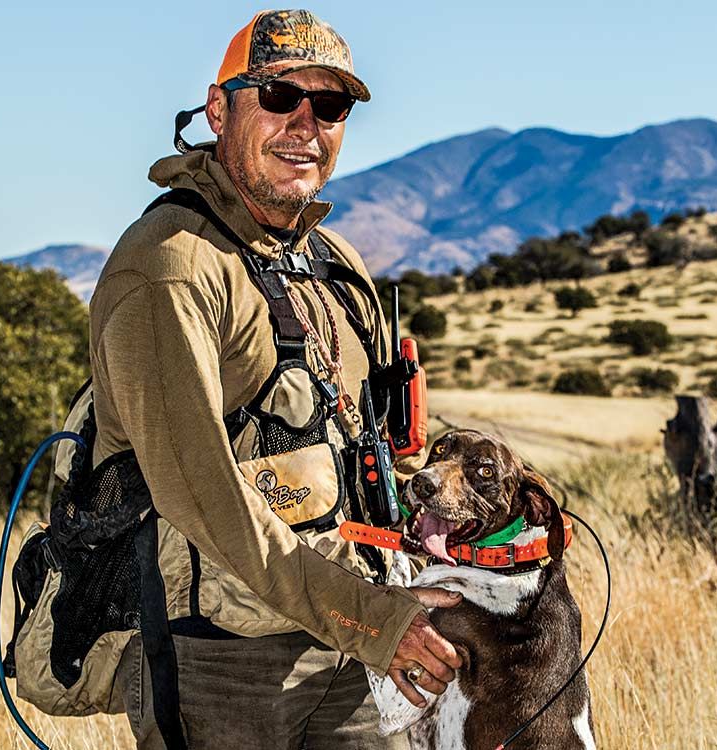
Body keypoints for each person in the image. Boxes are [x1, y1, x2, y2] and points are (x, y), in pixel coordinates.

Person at [90, 9, 462, 749]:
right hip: (218, 664)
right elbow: (203, 496)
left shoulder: (337, 264)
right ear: (219, 109)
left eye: (330, 106)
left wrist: (458, 524)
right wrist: (376, 621)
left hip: (350, 648)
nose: (306, 123)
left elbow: (383, 451)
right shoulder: (170, 267)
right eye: (279, 97)